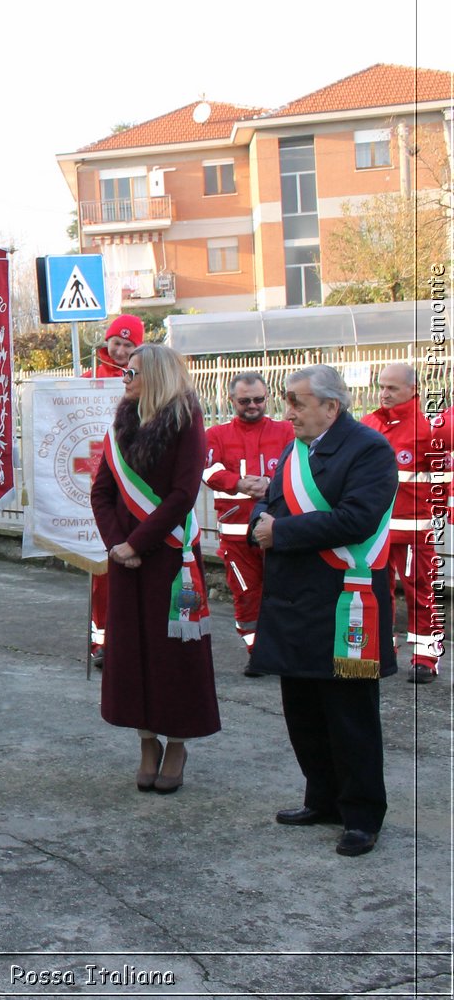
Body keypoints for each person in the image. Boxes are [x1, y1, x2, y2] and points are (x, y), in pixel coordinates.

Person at [250, 364, 397, 857]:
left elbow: (357, 518)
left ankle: (361, 815)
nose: (286, 410)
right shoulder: (296, 449)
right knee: (304, 711)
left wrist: (280, 533)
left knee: (350, 715)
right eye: (287, 400)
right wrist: (259, 523)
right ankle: (322, 798)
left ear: (331, 407)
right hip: (295, 601)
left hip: (346, 603)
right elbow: (271, 502)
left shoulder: (369, 449)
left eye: (297, 401)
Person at [89, 343, 218, 795]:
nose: (124, 380)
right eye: (124, 374)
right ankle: (147, 741)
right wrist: (117, 546)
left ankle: (177, 741)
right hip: (127, 561)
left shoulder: (186, 421)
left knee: (174, 654)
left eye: (131, 374)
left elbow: (183, 494)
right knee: (131, 653)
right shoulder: (121, 423)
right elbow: (101, 492)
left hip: (170, 557)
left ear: (156, 376)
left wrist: (138, 542)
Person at [202, 372, 294, 675]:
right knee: (246, 595)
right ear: (231, 400)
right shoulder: (215, 435)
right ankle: (257, 652)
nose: (253, 405)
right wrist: (239, 483)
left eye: (258, 399)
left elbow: (302, 467)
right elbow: (206, 470)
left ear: (267, 398)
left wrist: (271, 484)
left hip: (278, 532)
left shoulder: (286, 431)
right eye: (245, 401)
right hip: (236, 536)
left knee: (284, 593)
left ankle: (283, 650)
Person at [361, 364, 445, 684]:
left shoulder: (428, 428)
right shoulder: (369, 424)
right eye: (381, 386)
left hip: (414, 530)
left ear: (412, 390)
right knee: (373, 593)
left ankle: (425, 659)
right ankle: (381, 652)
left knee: (420, 593)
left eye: (392, 388)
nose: (384, 393)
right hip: (375, 532)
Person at [84, 313, 143, 667]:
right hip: (99, 486)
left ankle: (132, 638)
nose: (119, 351)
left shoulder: (143, 381)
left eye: (127, 345)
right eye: (115, 343)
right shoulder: (87, 380)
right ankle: (101, 641)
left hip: (133, 488)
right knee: (101, 575)